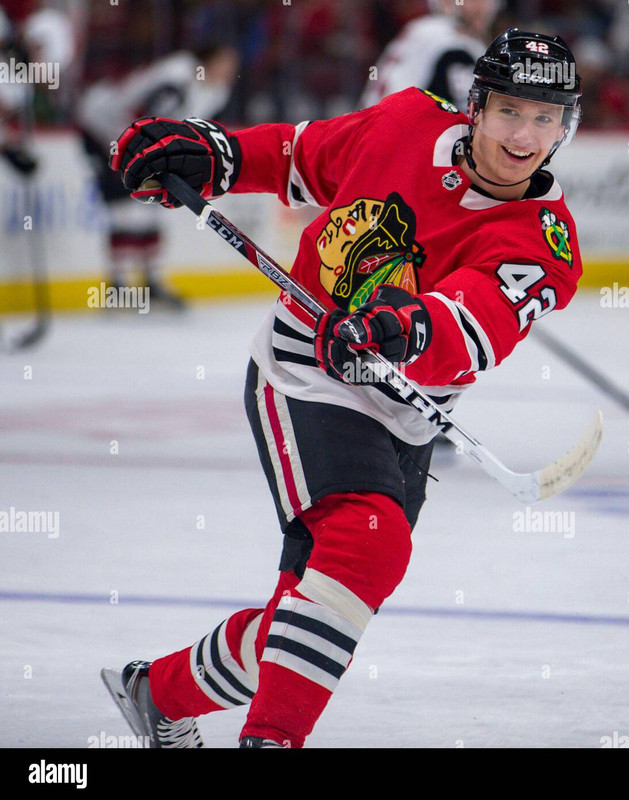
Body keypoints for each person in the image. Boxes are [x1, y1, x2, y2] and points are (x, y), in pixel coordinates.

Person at [101, 28, 584, 748]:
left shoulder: (546, 243)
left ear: (565, 129)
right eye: (512, 110)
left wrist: (402, 325)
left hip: (408, 415)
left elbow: (473, 324)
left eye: (546, 118)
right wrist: (216, 154)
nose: (526, 134)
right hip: (306, 371)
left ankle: (157, 693)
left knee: (315, 610)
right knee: (370, 543)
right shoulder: (405, 123)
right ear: (476, 108)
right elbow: (301, 156)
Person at [75, 45, 239, 310]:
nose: (231, 70)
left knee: (150, 209)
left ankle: (150, 282)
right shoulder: (177, 77)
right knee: (124, 210)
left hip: (138, 136)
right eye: (225, 62)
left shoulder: (216, 90)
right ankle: (117, 285)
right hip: (103, 126)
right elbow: (140, 115)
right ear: (207, 60)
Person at [360, 0, 504, 112]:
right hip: (396, 138)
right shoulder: (449, 41)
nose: (484, 6)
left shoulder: (423, 28)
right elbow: (463, 117)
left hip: (375, 132)